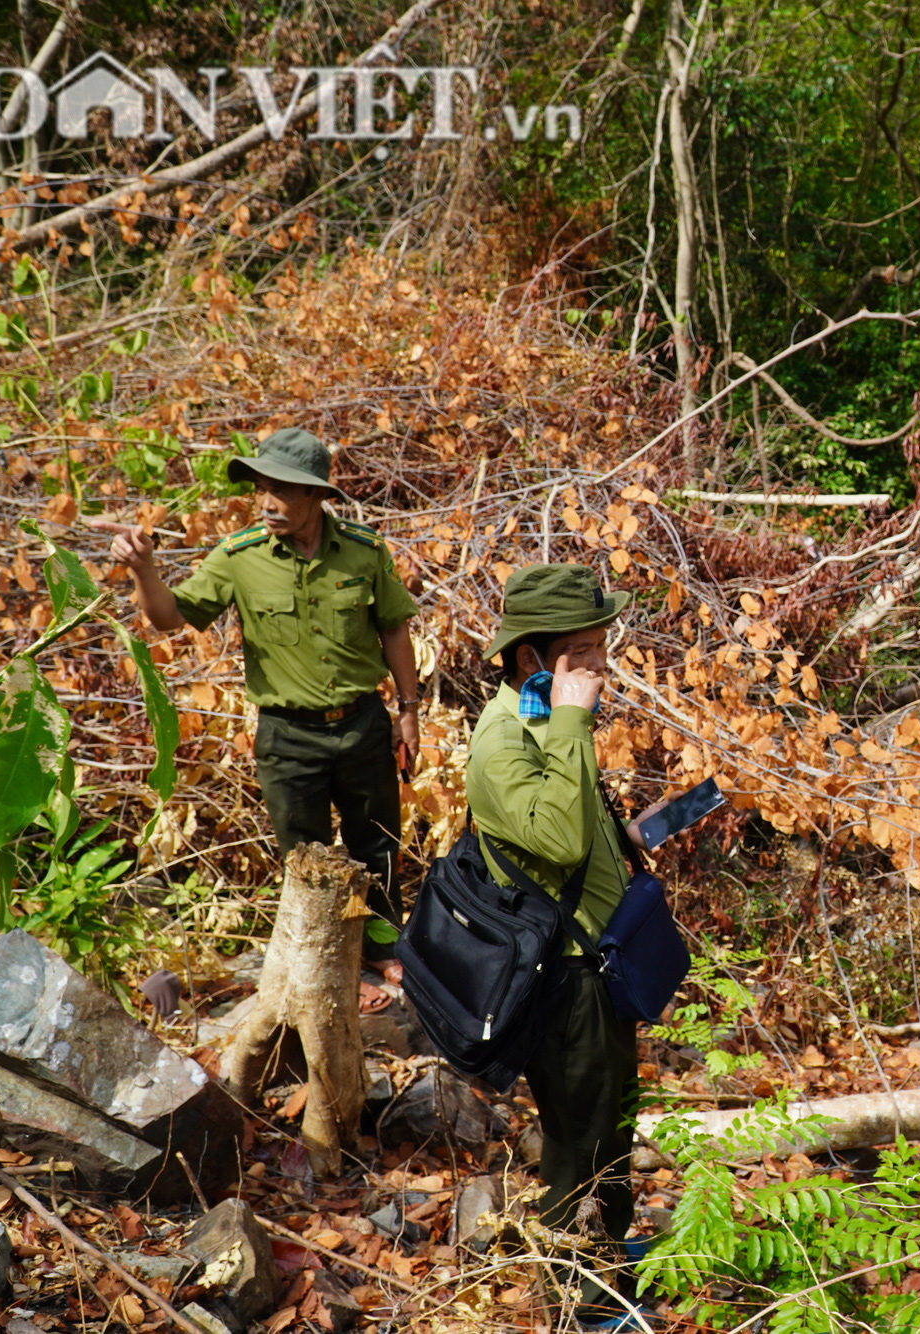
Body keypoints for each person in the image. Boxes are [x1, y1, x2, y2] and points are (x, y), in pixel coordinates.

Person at [89, 428, 421, 940]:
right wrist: (143, 568)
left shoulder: (364, 552)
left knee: (375, 848)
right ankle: (323, 963)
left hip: (362, 727)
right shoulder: (239, 556)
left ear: (316, 494)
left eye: (283, 490)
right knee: (305, 864)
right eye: (261, 489)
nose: (268, 503)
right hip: (288, 739)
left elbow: (394, 627)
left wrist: (408, 711)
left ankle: (379, 953)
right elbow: (169, 617)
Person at [464, 562, 646, 1329]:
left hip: (599, 961)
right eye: (585, 653)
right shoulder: (505, 739)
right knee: (579, 1136)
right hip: (563, 981)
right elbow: (560, 841)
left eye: (603, 648)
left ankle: (605, 1251)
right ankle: (581, 1294)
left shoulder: (547, 719)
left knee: (612, 1118)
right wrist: (573, 718)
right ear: (533, 658)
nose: (602, 668)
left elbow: (576, 830)